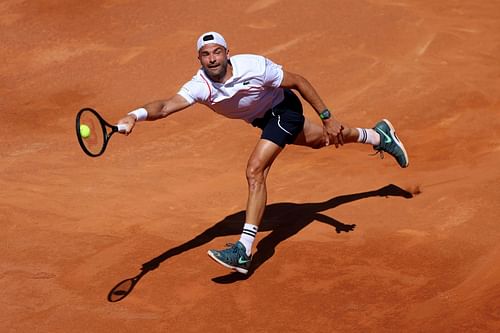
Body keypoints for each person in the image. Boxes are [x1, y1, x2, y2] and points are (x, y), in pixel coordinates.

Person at [118, 31, 409, 275]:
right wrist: (135, 115)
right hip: (264, 120)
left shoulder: (253, 66)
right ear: (199, 59)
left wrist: (326, 115)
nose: (212, 59)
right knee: (324, 140)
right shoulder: (200, 86)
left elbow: (298, 81)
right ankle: (377, 135)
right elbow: (166, 106)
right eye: (206, 55)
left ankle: (243, 250)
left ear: (227, 53)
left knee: (255, 170)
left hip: (284, 109)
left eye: (217, 52)